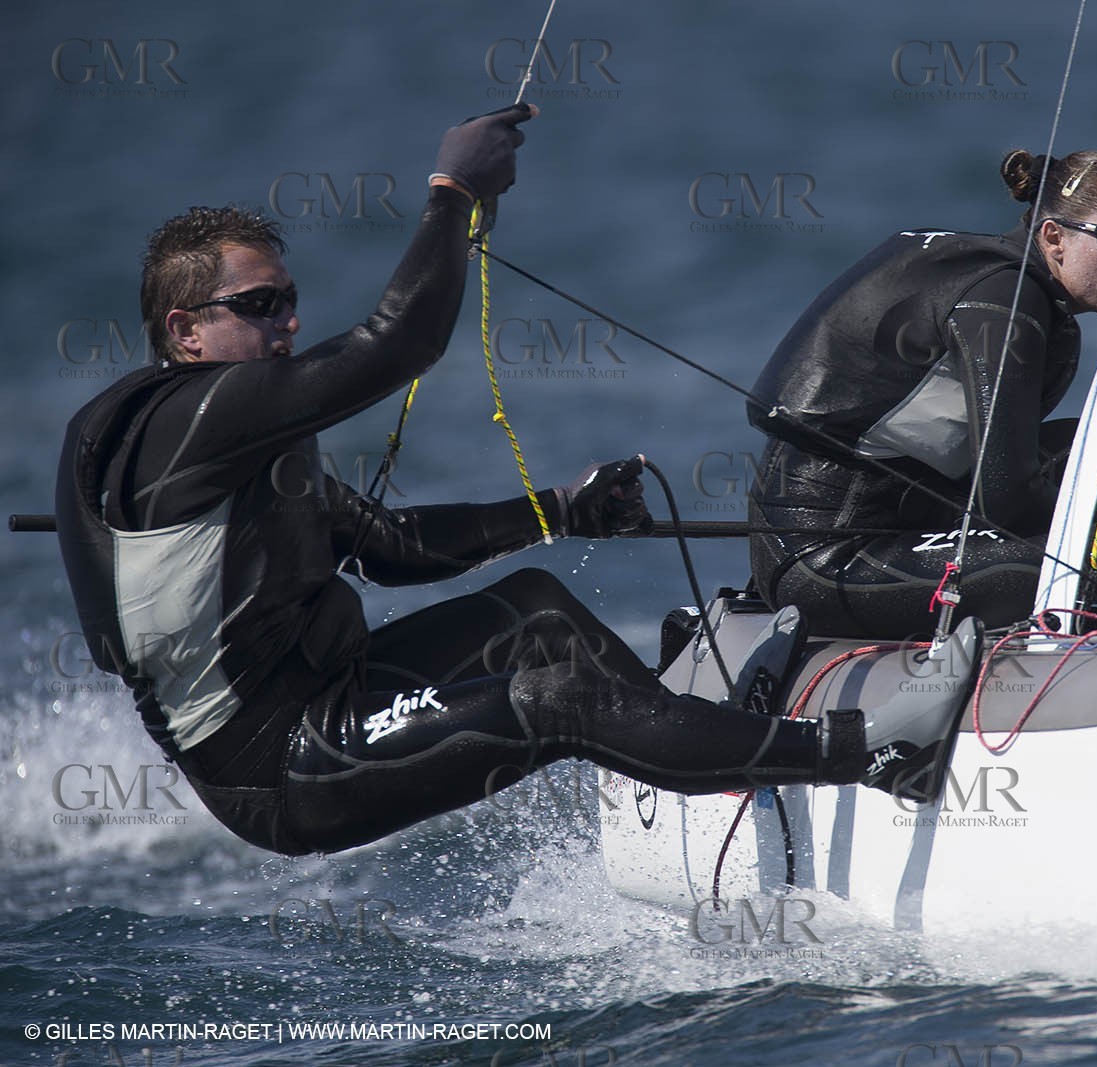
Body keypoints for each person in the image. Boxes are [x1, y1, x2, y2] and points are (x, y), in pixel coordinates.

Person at [54, 105, 979, 857]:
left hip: (340, 685)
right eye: (259, 307)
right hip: (283, 767)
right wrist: (452, 193)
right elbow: (400, 342)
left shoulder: (238, 438)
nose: (287, 324)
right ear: (185, 331)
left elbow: (388, 549)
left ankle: (704, 767)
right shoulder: (181, 426)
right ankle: (871, 749)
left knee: (538, 609)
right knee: (559, 697)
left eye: (289, 301)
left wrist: (562, 511)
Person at [746, 148, 1097, 639]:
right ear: (1054, 237)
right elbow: (1006, 500)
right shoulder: (1003, 301)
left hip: (906, 521)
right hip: (825, 561)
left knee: (1074, 453)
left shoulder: (1006, 281)